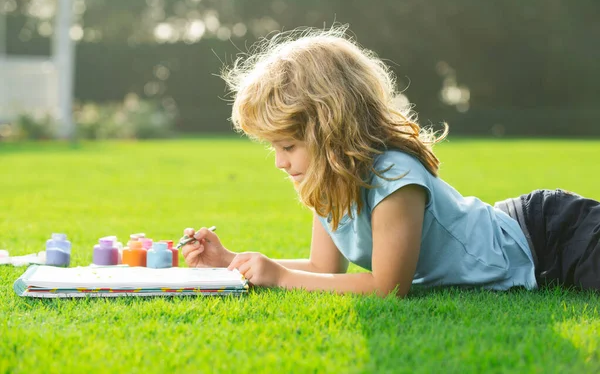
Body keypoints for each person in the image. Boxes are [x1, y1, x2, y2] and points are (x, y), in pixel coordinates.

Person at [181, 25, 600, 297]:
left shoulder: (395, 176)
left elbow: (387, 287)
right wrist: (231, 261)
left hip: (549, 234)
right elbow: (321, 268)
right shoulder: (328, 183)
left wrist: (278, 276)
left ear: (331, 131)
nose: (278, 162)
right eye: (273, 148)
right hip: (526, 245)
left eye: (288, 146)